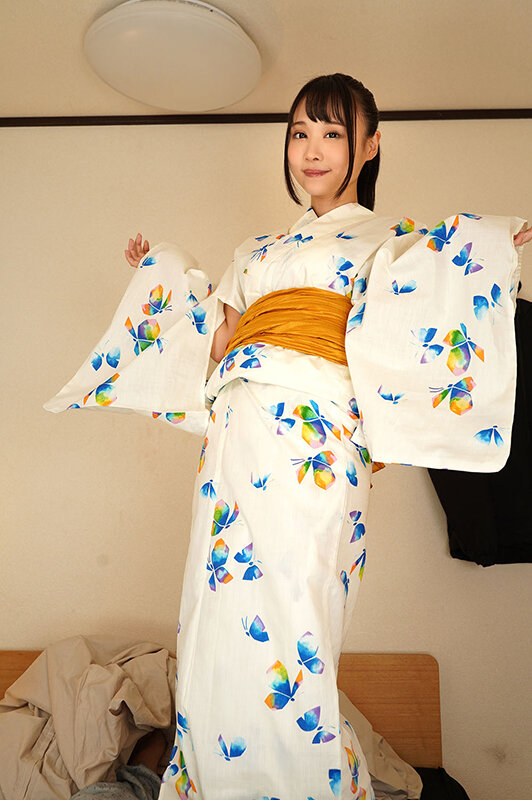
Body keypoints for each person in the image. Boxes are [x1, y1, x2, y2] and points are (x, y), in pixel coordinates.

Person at [46, 73, 530, 799]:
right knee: (217, 613)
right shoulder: (257, 249)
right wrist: (164, 281)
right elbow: (223, 341)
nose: (312, 150)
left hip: (316, 439)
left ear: (370, 144)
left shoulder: (392, 242)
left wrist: (486, 252)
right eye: (301, 133)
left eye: (333, 133)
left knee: (296, 611)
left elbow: (429, 307)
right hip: (236, 435)